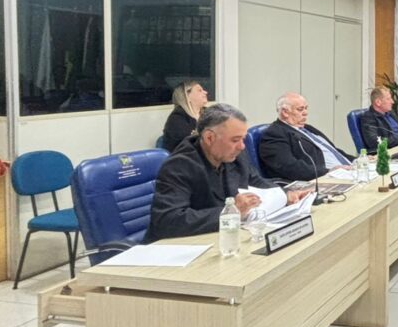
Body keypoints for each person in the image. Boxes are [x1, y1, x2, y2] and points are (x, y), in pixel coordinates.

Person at [147, 104, 309, 241]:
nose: (242, 146)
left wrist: (285, 194)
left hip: (224, 238)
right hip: (182, 247)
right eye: (235, 140)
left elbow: (255, 180)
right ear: (209, 138)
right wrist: (232, 212)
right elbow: (168, 221)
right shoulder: (179, 166)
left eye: (243, 139)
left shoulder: (235, 154)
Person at [259, 92, 354, 182]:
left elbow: (333, 150)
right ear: (285, 112)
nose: (305, 113)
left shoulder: (308, 128)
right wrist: (328, 171)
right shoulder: (275, 134)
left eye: (306, 108)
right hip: (326, 178)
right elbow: (289, 167)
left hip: (347, 172)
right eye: (300, 109)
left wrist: (356, 161)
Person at [359, 86, 398, 152]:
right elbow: (374, 142)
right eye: (388, 99)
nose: (392, 102)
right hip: (391, 150)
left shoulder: (390, 112)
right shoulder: (368, 118)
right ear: (378, 102)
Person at [162, 80, 209, 152]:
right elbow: (187, 147)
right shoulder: (177, 119)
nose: (205, 92)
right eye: (199, 90)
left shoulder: (209, 113)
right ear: (187, 96)